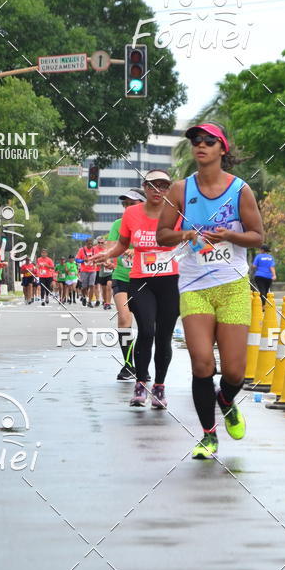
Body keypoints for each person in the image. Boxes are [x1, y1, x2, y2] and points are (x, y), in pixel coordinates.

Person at [156, 122, 264, 459]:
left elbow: (258, 236)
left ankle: (226, 400)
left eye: (208, 141)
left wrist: (230, 236)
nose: (200, 146)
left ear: (222, 150)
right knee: (202, 364)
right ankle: (207, 435)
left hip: (231, 286)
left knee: (234, 372)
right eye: (195, 142)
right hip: (194, 287)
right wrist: (185, 235)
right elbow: (162, 235)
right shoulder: (179, 189)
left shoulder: (240, 190)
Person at [97, 170, 179, 407]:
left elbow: (187, 241)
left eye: (163, 186)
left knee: (164, 336)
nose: (158, 190)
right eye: (153, 185)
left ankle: (160, 387)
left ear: (169, 189)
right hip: (141, 280)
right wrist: (107, 254)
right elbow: (122, 244)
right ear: (145, 187)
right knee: (146, 331)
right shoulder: (131, 214)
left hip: (170, 280)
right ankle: (141, 383)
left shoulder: (176, 213)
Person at [106, 189, 144, 379]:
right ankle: (128, 365)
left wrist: (136, 252)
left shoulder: (151, 224)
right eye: (125, 204)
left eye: (132, 203)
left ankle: (142, 366)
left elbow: (162, 248)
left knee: (147, 326)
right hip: (121, 276)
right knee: (123, 317)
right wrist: (108, 257)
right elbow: (110, 248)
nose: (128, 207)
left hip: (145, 280)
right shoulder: (118, 225)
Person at [76, 238, 96, 306]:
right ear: (86, 243)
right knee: (84, 287)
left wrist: (95, 260)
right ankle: (84, 297)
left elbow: (98, 257)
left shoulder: (94, 250)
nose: (90, 245)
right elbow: (76, 259)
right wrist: (83, 260)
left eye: (91, 244)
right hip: (84, 271)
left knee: (92, 285)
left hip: (93, 270)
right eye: (88, 244)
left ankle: (89, 302)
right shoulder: (81, 250)